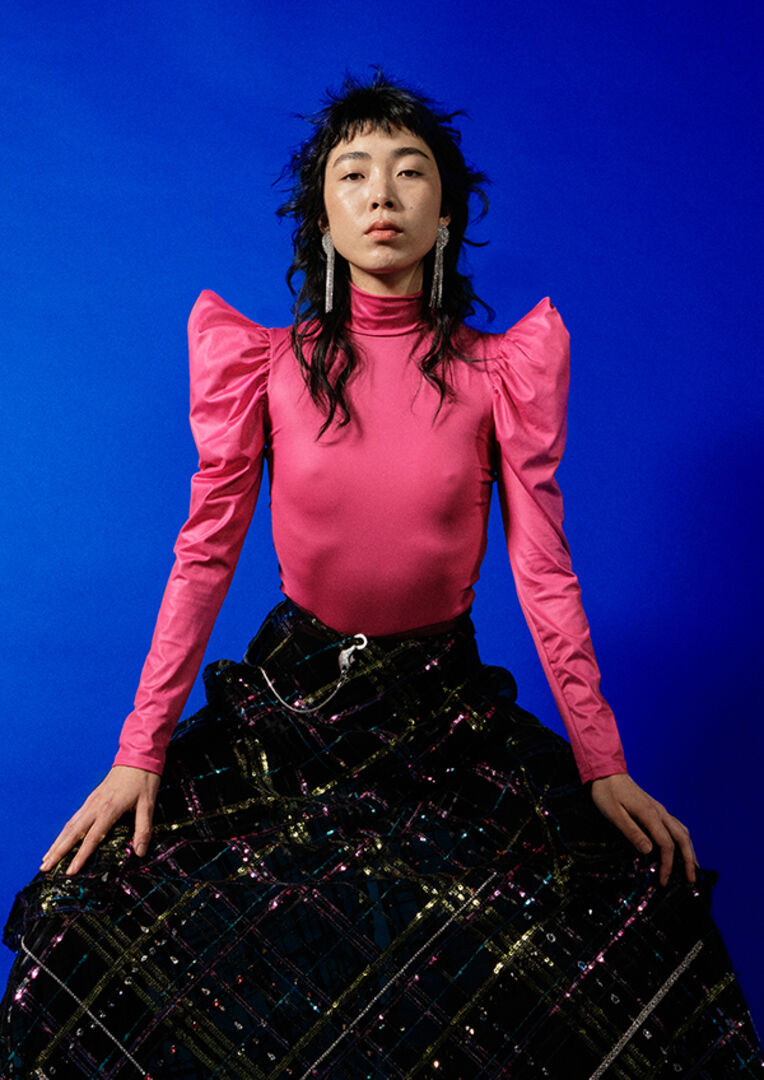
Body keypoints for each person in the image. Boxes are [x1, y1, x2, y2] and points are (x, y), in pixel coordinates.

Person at [1, 72, 761, 1079]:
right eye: (353, 174)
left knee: (608, 923)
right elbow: (204, 556)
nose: (381, 195)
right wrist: (138, 750)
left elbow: (543, 573)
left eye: (409, 173)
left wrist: (601, 758)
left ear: (445, 214)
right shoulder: (264, 366)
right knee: (98, 914)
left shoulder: (499, 373)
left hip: (444, 720)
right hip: (288, 714)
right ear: (322, 216)